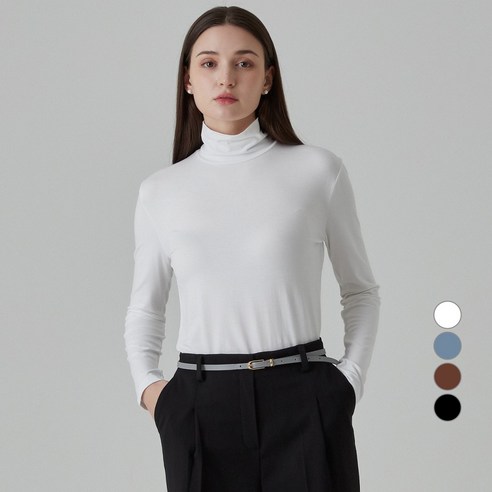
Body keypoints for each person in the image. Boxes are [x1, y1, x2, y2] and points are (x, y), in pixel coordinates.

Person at [124, 5, 380, 492]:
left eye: (244, 62)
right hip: (199, 407)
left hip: (304, 398)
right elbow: (145, 308)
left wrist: (349, 380)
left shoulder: (317, 172)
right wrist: (151, 390)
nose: (226, 77)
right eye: (209, 63)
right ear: (188, 80)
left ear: (267, 78)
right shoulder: (161, 191)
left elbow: (361, 290)